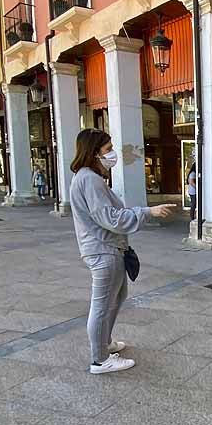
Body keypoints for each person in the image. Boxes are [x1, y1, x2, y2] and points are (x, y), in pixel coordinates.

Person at [69, 128, 176, 374]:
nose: (112, 155)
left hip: (106, 248)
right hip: (103, 250)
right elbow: (111, 218)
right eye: (108, 150)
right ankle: (99, 359)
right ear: (94, 152)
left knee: (116, 298)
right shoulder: (90, 179)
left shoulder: (86, 177)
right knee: (102, 304)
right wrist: (148, 211)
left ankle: (105, 344)